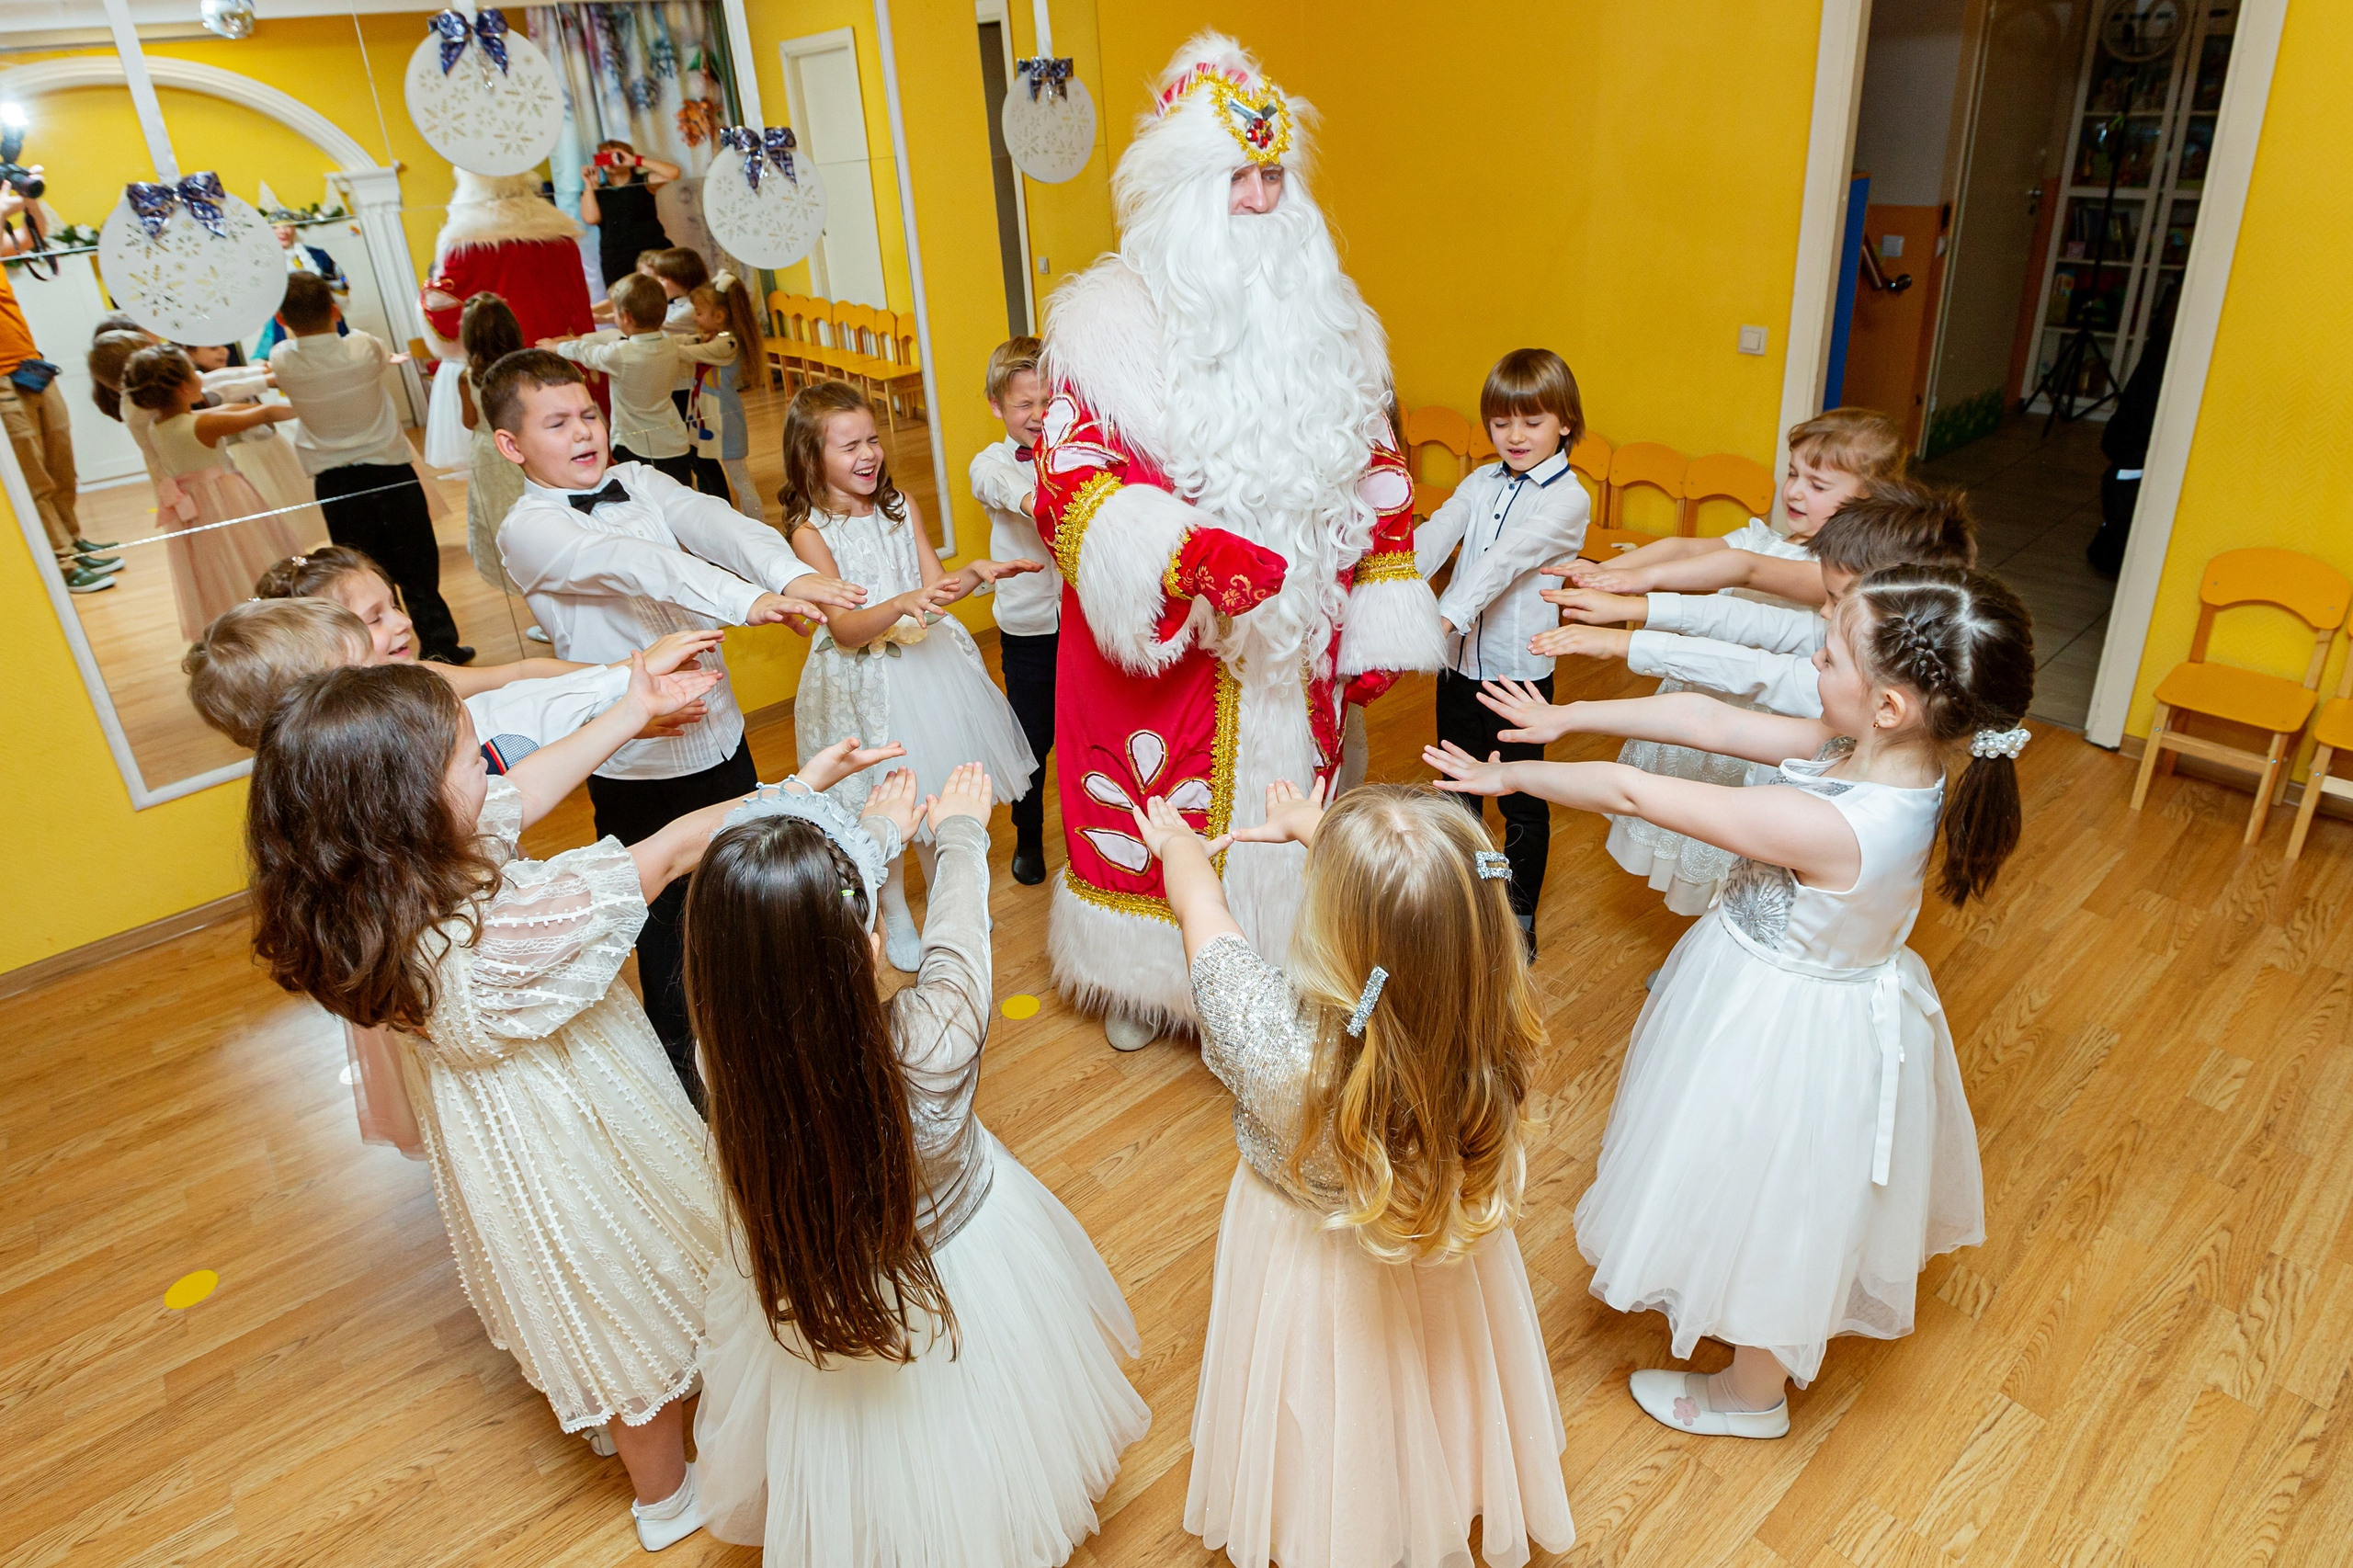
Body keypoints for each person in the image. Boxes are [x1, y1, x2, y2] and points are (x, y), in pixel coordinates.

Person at [245, 663, 902, 1548]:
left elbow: (527, 787)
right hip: (580, 1140)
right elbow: (669, 852)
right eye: (466, 757)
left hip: (502, 1150)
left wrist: (633, 712)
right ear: (407, 807)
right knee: (631, 1303)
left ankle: (626, 1416)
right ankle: (668, 1499)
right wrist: (796, 796)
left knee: (587, 1300)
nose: (492, 764)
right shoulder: (501, 928)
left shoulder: (380, 896)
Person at [1427, 563, 2033, 1437]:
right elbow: (1710, 719)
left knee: (1775, 1194)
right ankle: (1747, 1359)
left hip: (1785, 1024)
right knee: (1757, 1180)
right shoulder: (1872, 752)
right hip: (1791, 990)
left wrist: (1515, 778)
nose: (1813, 667)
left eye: (1828, 656)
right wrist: (1572, 717)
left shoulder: (1838, 823)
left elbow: (1642, 794)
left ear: (1891, 705)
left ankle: (1754, 1397)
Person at [1033, 32, 1443, 1051]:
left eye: (1273, 175)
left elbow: (1376, 459)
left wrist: (1379, 604)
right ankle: (1145, 984)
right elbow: (1069, 477)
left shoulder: (1334, 320)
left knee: (1287, 808)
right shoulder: (1103, 325)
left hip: (1295, 636)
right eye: (1237, 180)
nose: (1262, 200)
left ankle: (1266, 967)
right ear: (1179, 198)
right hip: (1170, 643)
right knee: (1149, 811)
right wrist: (1176, 554)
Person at [687, 762, 1151, 1564]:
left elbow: (782, 946)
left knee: (866, 1465)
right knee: (982, 1435)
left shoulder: (723, 1060)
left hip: (826, 1274)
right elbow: (960, 945)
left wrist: (877, 838)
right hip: (965, 1266)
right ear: (864, 951)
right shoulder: (934, 1043)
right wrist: (963, 832)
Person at [1124, 778, 1574, 1566]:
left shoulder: (1276, 1049)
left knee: (1330, 1402)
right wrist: (1321, 826)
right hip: (1432, 1239)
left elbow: (1204, 915)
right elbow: (1425, 910)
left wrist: (1178, 849)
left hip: (1310, 1259)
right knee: (1430, 1373)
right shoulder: (1489, 1012)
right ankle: (1428, 1488)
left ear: (1331, 938)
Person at [487, 347, 864, 1104]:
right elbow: (636, 564)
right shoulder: (527, 529)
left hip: (721, 737)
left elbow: (717, 521)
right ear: (511, 444)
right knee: (666, 933)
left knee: (750, 898)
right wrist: (747, 602)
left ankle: (767, 1049)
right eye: (557, 423)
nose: (584, 432)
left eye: (588, 414)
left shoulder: (641, 479)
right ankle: (691, 1084)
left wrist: (787, 577)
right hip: (640, 766)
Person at [1554, 409, 1906, 915]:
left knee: (1743, 845)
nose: (1795, 492)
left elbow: (1744, 570)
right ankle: (1703, 940)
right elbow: (1683, 545)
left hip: (1765, 721)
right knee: (1697, 825)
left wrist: (1635, 592)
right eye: (1793, 474)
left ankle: (1726, 935)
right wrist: (1600, 572)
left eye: (1818, 483)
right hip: (1708, 698)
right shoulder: (1767, 537)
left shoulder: (1835, 574)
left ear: (1870, 501)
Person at [781, 381, 1040, 971]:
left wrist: (973, 572)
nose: (868, 454)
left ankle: (952, 902)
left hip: (927, 666)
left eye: (872, 440)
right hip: (863, 682)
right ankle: (893, 910)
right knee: (884, 799)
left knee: (934, 790)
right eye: (849, 447)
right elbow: (844, 628)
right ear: (810, 457)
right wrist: (900, 602)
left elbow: (934, 593)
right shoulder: (810, 533)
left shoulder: (901, 509)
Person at [1414, 348, 1592, 954]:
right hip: (1458, 668)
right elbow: (1438, 533)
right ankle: (1462, 908)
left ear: (1565, 421)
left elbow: (1501, 563)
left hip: (1518, 676)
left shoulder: (1568, 499)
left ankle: (1517, 919)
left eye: (1532, 420)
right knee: (1457, 794)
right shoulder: (1481, 479)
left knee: (1519, 800)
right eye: (1501, 422)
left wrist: (1442, 615)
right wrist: (1390, 585)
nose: (1514, 436)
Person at [237, 542, 722, 762]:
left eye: (395, 603)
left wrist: (627, 681)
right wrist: (621, 706)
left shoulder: (421, 676)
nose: (405, 621)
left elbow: (522, 673)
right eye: (375, 617)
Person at [1537, 483, 1981, 722]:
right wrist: (1633, 611)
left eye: (1834, 598)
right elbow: (1745, 619)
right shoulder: (1845, 640)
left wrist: (1621, 643)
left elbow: (1749, 670)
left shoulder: (1855, 676)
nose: (1823, 610)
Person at [268, 272, 471, 665]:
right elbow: (377, 355)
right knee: (419, 568)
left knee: (364, 575)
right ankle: (442, 647)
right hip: (391, 472)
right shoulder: (362, 345)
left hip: (335, 482)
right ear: (333, 309)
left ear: (280, 319)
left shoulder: (281, 360)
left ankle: (389, 654)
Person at [119, 346, 308, 642]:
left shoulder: (160, 426)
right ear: (183, 387)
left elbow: (223, 411)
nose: (199, 376)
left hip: (196, 508)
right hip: (224, 502)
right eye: (192, 372)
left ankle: (244, 623)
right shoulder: (201, 424)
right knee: (251, 556)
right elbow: (265, 413)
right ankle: (272, 622)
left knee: (221, 566)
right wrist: (311, 396)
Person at [968, 335, 1061, 886]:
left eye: (1048, 402)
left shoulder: (1079, 452)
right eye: (1025, 404)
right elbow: (998, 485)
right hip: (1028, 628)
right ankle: (1028, 835)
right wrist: (1038, 500)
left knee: (1083, 732)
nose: (1038, 414)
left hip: (1085, 624)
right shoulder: (992, 464)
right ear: (997, 407)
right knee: (1032, 738)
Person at [0, 228, 113, 593]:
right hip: (2, 379)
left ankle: (73, 540)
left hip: (31, 367)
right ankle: (61, 562)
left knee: (61, 462)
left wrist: (28, 200)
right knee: (33, 475)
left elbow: (33, 236)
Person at [548, 273, 730, 488]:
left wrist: (556, 347)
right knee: (679, 499)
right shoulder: (669, 344)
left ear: (627, 318)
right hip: (675, 444)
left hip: (638, 447)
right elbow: (609, 340)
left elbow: (589, 353)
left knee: (647, 503)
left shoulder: (622, 353)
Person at [419, 169, 598, 358]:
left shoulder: (466, 247)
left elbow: (442, 314)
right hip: (569, 352)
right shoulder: (561, 237)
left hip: (512, 359)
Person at [456, 293, 529, 591]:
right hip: (524, 446)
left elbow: (469, 421)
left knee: (499, 516)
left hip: (489, 452)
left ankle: (519, 579)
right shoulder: (525, 368)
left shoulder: (468, 377)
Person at [681, 272, 765, 520]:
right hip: (708, 415)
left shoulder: (727, 343)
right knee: (711, 469)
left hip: (724, 417)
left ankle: (759, 526)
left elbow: (687, 352)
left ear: (719, 316)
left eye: (698, 312)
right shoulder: (716, 338)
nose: (694, 318)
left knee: (740, 478)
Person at [578, 141, 679, 296]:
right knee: (626, 303)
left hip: (653, 252)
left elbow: (673, 173)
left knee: (666, 299)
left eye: (615, 156)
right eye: (604, 157)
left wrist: (636, 160)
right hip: (617, 259)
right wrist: (589, 185)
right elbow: (591, 218)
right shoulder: (596, 191)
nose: (610, 160)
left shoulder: (642, 182)